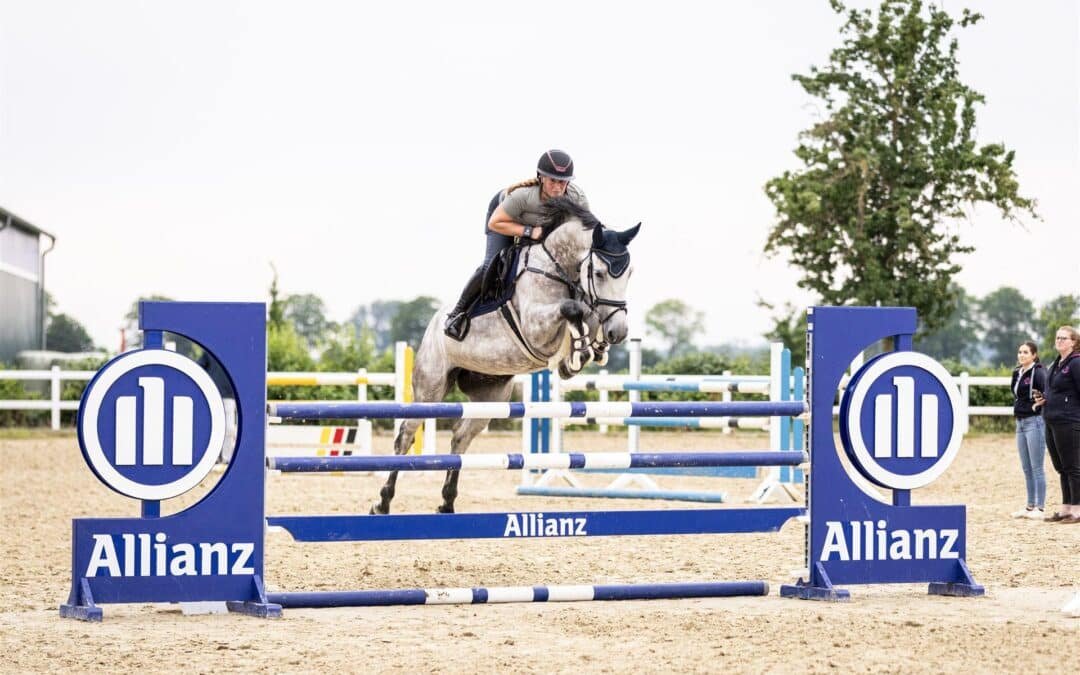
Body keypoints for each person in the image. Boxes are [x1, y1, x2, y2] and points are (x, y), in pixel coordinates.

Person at [444, 149, 589, 341]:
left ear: (568, 182)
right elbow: (495, 223)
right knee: (491, 263)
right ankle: (457, 314)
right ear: (541, 178)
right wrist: (529, 231)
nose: (556, 187)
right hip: (504, 220)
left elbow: (585, 231)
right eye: (552, 181)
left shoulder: (576, 198)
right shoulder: (523, 197)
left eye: (562, 182)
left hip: (543, 232)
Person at [1034, 325, 1080, 524]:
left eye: (1064, 338)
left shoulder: (1076, 363)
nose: (1059, 341)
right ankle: (1065, 508)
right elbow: (1056, 390)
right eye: (1057, 337)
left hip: (1069, 420)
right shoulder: (1056, 364)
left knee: (1073, 467)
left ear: (1073, 342)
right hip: (1051, 419)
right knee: (1061, 467)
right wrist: (1045, 399)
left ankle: (1077, 510)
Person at [1010, 341, 1047, 519]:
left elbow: (1048, 392)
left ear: (1034, 355)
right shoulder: (1017, 372)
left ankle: (1040, 508)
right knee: (1026, 467)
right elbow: (1016, 394)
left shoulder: (1039, 372)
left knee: (1037, 467)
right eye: (1020, 352)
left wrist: (1038, 404)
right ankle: (1029, 505)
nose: (1022, 355)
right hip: (1020, 423)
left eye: (1026, 352)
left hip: (1035, 422)